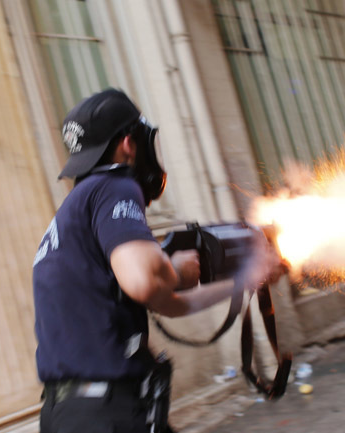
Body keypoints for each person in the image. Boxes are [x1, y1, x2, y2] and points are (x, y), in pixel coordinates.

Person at [32, 88, 283, 433]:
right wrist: (174, 270)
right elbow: (145, 281)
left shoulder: (76, 211)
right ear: (128, 144)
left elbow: (171, 304)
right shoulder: (113, 186)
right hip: (106, 415)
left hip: (71, 413)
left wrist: (245, 279)